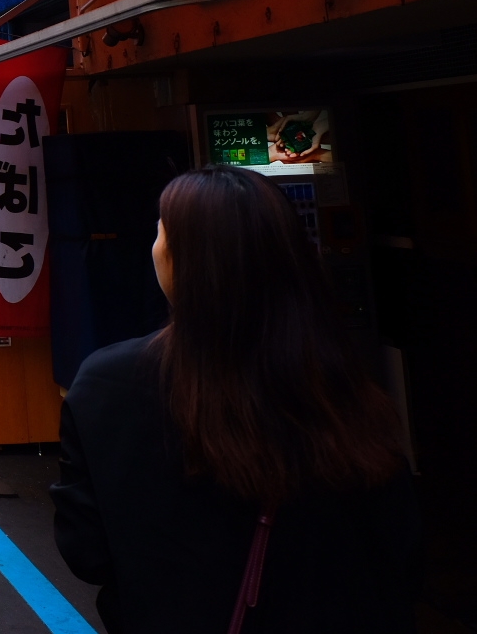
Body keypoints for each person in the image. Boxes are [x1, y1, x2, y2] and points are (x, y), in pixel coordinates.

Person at [52, 165, 420, 632]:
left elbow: (87, 551)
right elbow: (399, 551)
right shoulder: (336, 378)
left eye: (160, 234)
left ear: (181, 259)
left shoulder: (109, 385)